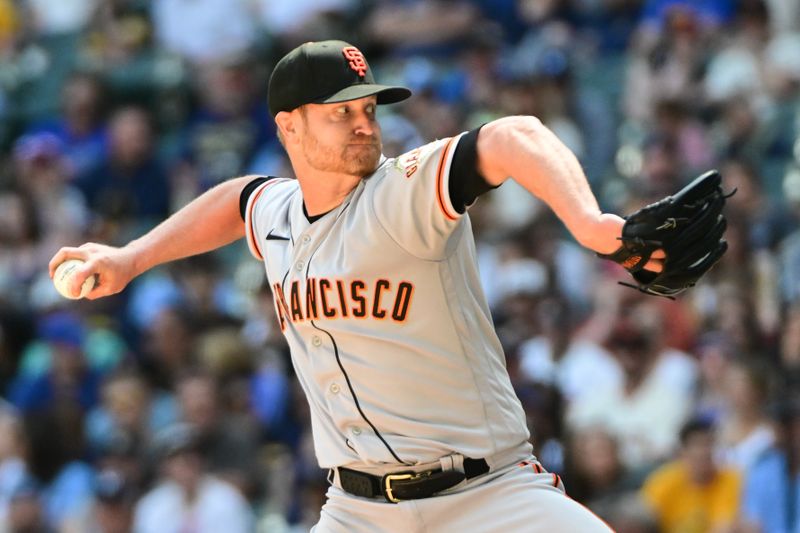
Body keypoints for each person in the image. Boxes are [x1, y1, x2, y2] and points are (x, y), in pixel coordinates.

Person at [50, 40, 666, 532]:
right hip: (359, 509)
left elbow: (512, 136)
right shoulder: (279, 213)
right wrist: (131, 257)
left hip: (489, 497)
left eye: (368, 109)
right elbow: (236, 202)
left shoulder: (401, 191)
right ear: (289, 127)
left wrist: (591, 224)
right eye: (340, 112)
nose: (363, 124)